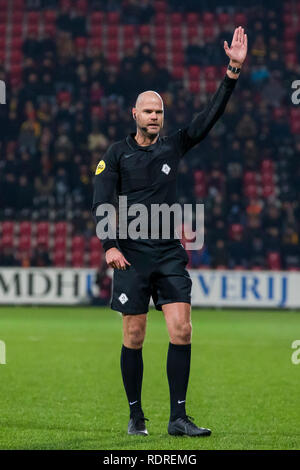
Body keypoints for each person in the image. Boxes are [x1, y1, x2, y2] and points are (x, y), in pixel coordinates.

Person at [92, 27, 247, 437]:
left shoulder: (173, 146)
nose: (154, 116)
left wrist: (232, 71)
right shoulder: (116, 154)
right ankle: (136, 415)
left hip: (167, 252)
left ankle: (178, 418)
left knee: (181, 328)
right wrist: (109, 244)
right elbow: (101, 200)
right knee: (135, 334)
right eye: (147, 111)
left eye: (159, 111)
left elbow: (209, 117)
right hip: (130, 254)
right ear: (134, 115)